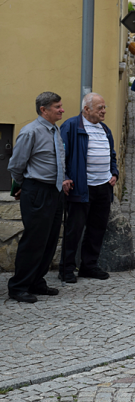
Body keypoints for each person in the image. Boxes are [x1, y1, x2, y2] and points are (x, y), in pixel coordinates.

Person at [7, 92, 72, 303]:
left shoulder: (54, 130)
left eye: (61, 106)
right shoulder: (30, 132)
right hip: (37, 191)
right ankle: (18, 286)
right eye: (57, 107)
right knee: (34, 240)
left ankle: (37, 281)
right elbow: (16, 165)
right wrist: (25, 184)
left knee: (50, 239)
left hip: (54, 191)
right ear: (43, 110)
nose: (62, 110)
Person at [58, 93, 119, 283]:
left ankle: (89, 266)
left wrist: (114, 173)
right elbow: (61, 155)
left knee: (97, 229)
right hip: (81, 188)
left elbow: (112, 155)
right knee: (74, 230)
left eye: (104, 107)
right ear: (86, 109)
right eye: (100, 107)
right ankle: (66, 269)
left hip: (103, 187)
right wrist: (65, 177)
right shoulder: (71, 126)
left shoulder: (105, 129)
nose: (104, 111)